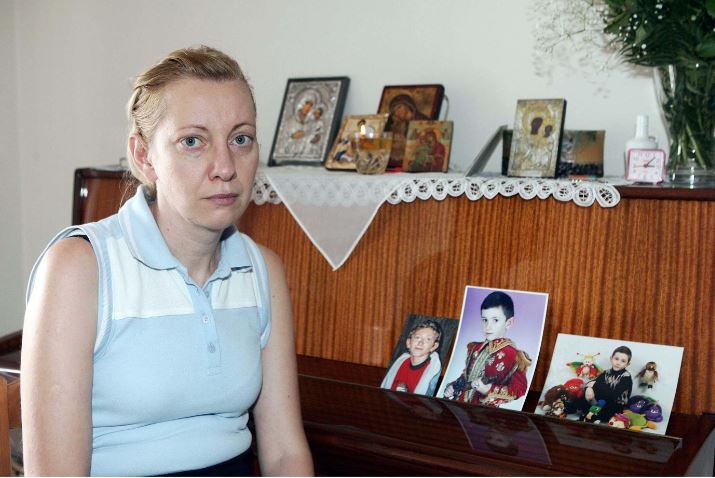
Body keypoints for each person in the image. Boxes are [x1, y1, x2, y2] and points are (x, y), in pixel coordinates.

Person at [21, 45, 314, 477]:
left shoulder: (262, 271)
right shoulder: (80, 267)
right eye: (192, 141)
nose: (225, 167)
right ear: (144, 156)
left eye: (241, 139)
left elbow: (286, 452)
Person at [443, 291, 531, 407]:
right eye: (485, 320)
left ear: (509, 323)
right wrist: (453, 386)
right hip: (459, 405)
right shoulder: (474, 348)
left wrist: (488, 389)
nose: (488, 327)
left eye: (495, 320)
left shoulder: (514, 355)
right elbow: (466, 376)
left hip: (483, 412)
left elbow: (519, 389)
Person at [380, 319, 443, 396]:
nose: (420, 343)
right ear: (408, 343)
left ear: (434, 346)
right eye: (417, 337)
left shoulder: (433, 372)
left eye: (428, 339)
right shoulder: (398, 363)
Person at [574, 346, 634, 423]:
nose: (618, 363)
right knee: (584, 396)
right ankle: (575, 408)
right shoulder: (606, 372)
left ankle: (592, 415)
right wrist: (588, 389)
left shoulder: (626, 377)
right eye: (616, 359)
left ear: (627, 364)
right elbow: (593, 382)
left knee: (607, 411)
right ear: (611, 359)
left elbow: (613, 394)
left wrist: (595, 385)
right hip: (602, 400)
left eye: (623, 361)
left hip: (616, 403)